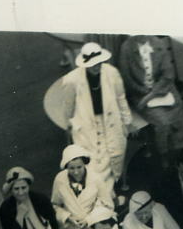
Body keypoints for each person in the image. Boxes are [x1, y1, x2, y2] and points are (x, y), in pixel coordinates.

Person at [60, 42, 140, 188]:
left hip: (110, 121)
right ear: (84, 64)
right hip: (87, 125)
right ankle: (101, 194)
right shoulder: (72, 80)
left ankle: (113, 187)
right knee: (93, 162)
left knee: (113, 155)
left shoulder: (112, 73)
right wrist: (69, 125)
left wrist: (128, 122)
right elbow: (68, 107)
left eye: (99, 63)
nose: (97, 66)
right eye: (92, 64)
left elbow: (121, 98)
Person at [115, 34, 183, 162]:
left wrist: (152, 94)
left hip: (162, 91)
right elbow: (127, 80)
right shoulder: (126, 48)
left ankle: (182, 153)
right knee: (163, 122)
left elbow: (168, 74)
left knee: (178, 114)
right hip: (139, 94)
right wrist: (145, 94)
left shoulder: (158, 43)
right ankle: (164, 156)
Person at [0, 164, 58, 229]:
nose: (21, 192)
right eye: (16, 189)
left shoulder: (41, 200)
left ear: (28, 186)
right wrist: (19, 218)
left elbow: (54, 227)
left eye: (23, 187)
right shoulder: (6, 208)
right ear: (11, 190)